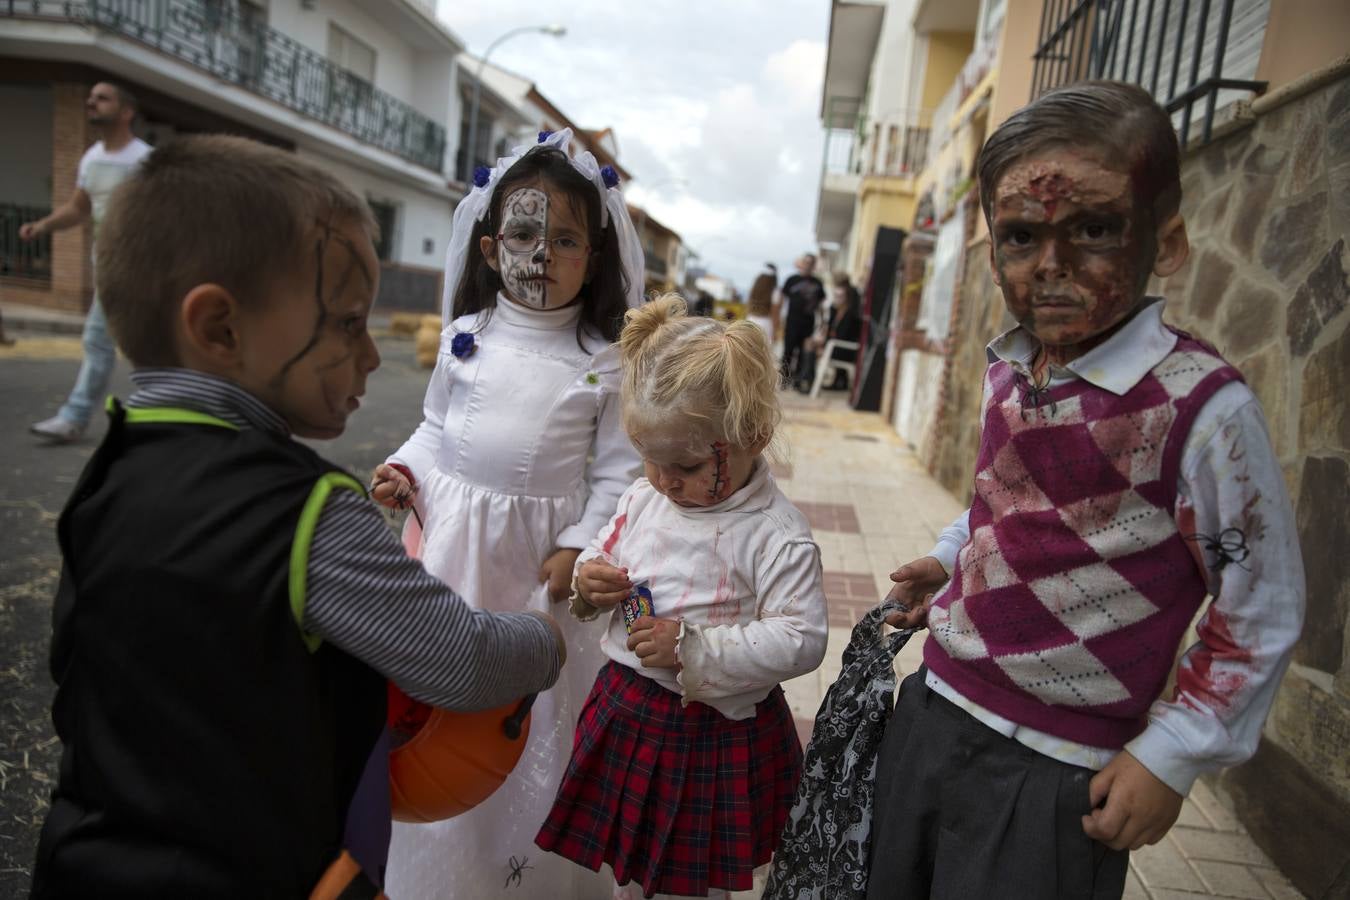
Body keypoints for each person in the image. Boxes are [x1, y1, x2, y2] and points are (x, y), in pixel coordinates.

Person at [28, 134, 568, 898]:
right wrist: (543, 642)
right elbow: (460, 658)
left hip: (85, 856)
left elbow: (70, 670)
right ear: (219, 328)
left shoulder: (107, 472)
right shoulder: (309, 514)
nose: (373, 357)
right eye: (348, 323)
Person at [868, 81, 1305, 899]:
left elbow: (1261, 607)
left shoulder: (1201, 412)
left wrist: (1173, 753)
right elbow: (997, 505)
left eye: (1095, 230)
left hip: (1059, 773)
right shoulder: (1011, 371)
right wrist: (949, 560)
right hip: (933, 714)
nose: (1052, 267)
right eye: (1023, 237)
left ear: (1165, 243)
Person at [372, 128, 646, 899]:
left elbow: (620, 470)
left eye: (564, 239)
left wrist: (577, 541)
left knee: (518, 721)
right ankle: (433, 864)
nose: (541, 254)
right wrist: (404, 468)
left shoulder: (605, 357)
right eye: (524, 233)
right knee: (438, 709)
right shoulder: (466, 337)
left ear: (594, 256)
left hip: (534, 574)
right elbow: (435, 430)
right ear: (490, 247)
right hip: (451, 555)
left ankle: (509, 873)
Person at [536, 295, 830, 899]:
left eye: (687, 464)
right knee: (631, 868)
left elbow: (802, 638)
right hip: (629, 715)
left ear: (754, 435)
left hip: (712, 732)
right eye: (649, 458)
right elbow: (605, 547)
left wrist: (693, 648)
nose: (664, 480)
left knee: (689, 886)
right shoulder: (645, 499)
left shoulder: (774, 535)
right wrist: (590, 579)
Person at [23, 81, 153, 444]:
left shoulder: (144, 160)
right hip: (107, 264)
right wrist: (44, 225)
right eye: (91, 97)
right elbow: (80, 208)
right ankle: (81, 418)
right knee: (118, 343)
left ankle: (76, 417)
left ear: (126, 112)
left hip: (137, 267)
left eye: (102, 98)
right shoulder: (92, 158)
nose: (91, 102)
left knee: (108, 341)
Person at [779, 253, 826, 384]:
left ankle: (797, 379)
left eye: (811, 263)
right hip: (792, 321)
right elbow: (782, 299)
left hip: (808, 323)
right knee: (788, 350)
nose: (808, 266)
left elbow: (821, 304)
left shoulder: (818, 283)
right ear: (802, 264)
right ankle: (784, 377)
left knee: (802, 352)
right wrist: (779, 318)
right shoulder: (792, 280)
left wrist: (822, 321)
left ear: (813, 266)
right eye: (806, 262)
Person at [746, 261, 777, 336]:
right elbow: (775, 313)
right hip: (766, 323)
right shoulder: (775, 292)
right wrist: (776, 331)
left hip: (751, 319)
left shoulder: (754, 289)